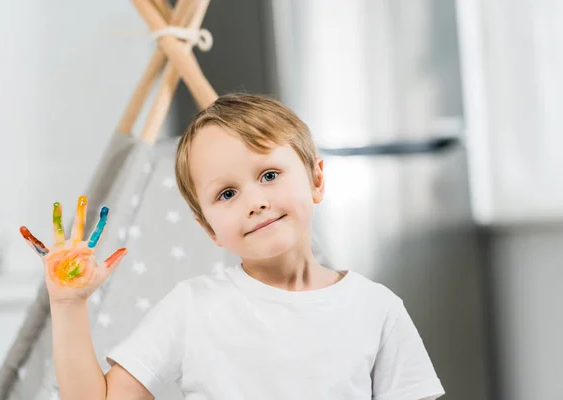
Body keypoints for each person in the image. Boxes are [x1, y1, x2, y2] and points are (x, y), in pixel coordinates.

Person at [24, 93, 445, 399]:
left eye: (269, 175)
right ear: (208, 227)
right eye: (226, 194)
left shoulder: (378, 309)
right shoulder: (191, 308)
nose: (255, 201)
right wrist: (68, 306)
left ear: (317, 179)